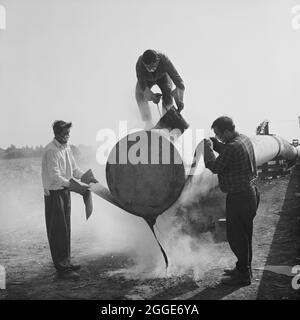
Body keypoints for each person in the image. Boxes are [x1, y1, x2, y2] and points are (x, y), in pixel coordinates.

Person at [203, 116, 260, 286]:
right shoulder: (243, 139)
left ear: (227, 131)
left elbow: (215, 166)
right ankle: (243, 268)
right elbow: (229, 153)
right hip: (249, 193)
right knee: (245, 235)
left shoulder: (232, 147)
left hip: (239, 197)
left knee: (236, 237)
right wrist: (217, 143)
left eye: (219, 135)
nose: (219, 138)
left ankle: (243, 275)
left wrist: (207, 149)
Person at [41, 120, 91, 280]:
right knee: (57, 230)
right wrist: (74, 186)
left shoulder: (66, 147)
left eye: (69, 133)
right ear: (56, 134)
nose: (68, 136)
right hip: (55, 193)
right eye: (65, 134)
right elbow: (55, 177)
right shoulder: (51, 151)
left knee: (66, 228)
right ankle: (62, 269)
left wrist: (86, 177)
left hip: (65, 190)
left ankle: (66, 262)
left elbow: (74, 169)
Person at [135, 49, 185, 129]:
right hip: (146, 80)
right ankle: (148, 122)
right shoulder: (140, 65)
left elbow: (179, 82)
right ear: (144, 64)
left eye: (153, 66)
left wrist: (179, 100)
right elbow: (144, 89)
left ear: (157, 60)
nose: (152, 69)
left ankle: (168, 120)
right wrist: (153, 97)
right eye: (149, 67)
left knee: (167, 93)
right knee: (139, 95)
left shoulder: (164, 60)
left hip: (163, 77)